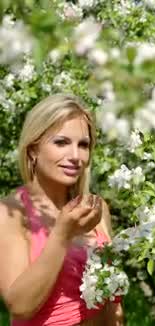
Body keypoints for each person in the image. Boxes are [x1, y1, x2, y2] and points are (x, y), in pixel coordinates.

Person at [0, 94, 124, 325]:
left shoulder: (96, 209)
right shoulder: (11, 212)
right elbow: (20, 306)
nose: (75, 156)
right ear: (33, 150)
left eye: (83, 145)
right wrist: (62, 234)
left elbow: (113, 305)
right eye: (61, 142)